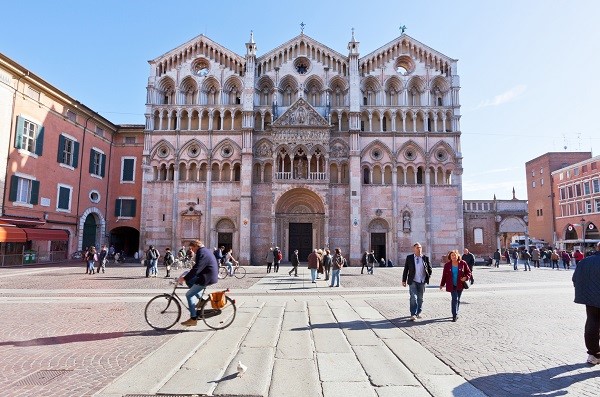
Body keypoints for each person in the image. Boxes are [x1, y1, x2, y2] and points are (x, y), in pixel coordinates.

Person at [178, 240, 219, 327]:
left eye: (192, 248)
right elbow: (198, 267)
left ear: (196, 246)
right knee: (190, 281)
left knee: (189, 295)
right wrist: (187, 277)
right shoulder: (205, 250)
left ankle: (193, 319)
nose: (192, 250)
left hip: (206, 277)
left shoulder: (201, 252)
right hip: (208, 275)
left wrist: (185, 278)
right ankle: (201, 301)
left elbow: (197, 268)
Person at [572, 242, 600, 365]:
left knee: (592, 322)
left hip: (591, 299)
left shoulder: (585, 261)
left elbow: (575, 279)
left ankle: (593, 354)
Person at [402, 242, 432, 321]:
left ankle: (418, 312)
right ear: (414, 249)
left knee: (420, 298)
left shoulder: (425, 258)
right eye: (417, 248)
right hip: (413, 280)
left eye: (420, 247)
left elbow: (429, 269)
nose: (419, 249)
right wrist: (404, 280)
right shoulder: (409, 258)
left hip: (422, 280)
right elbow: (406, 269)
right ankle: (413, 314)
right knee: (413, 297)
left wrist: (428, 276)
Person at [439, 250, 472, 322]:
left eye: (455, 255)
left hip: (460, 284)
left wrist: (466, 277)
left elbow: (469, 272)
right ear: (450, 257)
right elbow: (444, 275)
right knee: (455, 299)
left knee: (458, 299)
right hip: (451, 284)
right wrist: (442, 284)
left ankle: (456, 312)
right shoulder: (447, 265)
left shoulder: (463, 263)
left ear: (457, 256)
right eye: (452, 255)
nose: (453, 256)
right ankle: (454, 315)